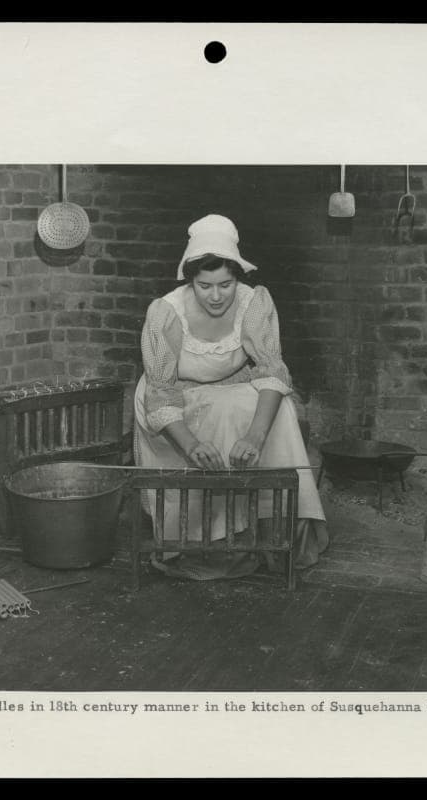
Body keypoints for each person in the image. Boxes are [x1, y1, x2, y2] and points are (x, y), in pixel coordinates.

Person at [134, 214, 329, 580]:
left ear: (237, 277)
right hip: (175, 403)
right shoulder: (167, 312)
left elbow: (272, 370)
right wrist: (192, 446)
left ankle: (275, 534)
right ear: (191, 280)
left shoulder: (253, 303)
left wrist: (255, 437)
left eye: (225, 284)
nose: (216, 296)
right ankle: (211, 546)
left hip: (228, 386)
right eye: (205, 286)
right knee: (223, 412)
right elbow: (160, 394)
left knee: (282, 409)